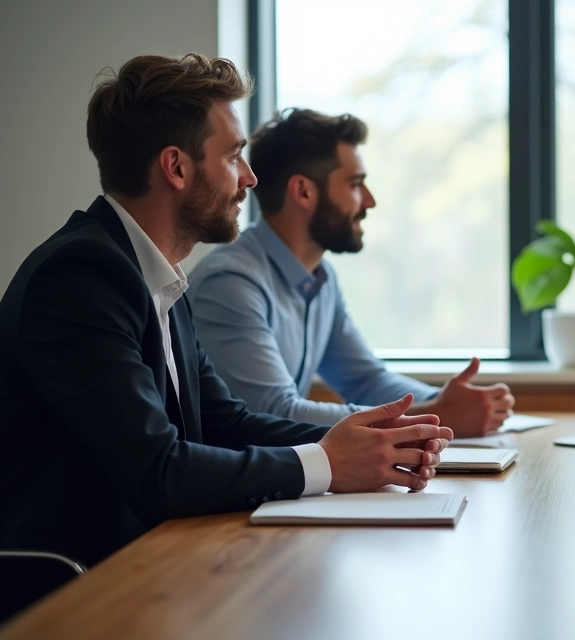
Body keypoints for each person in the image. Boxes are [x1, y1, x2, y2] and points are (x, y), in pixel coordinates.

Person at [0, 54, 452, 619]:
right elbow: (158, 470)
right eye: (234, 155)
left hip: (150, 561)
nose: (250, 177)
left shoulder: (157, 275)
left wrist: (373, 438)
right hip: (73, 587)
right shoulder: (82, 276)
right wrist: (328, 464)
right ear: (176, 167)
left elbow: (224, 421)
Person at [188, 108, 514, 437]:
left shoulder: (321, 279)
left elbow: (365, 379)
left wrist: (444, 403)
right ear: (303, 192)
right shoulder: (230, 282)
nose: (369, 201)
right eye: (356, 184)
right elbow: (273, 412)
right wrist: (431, 416)